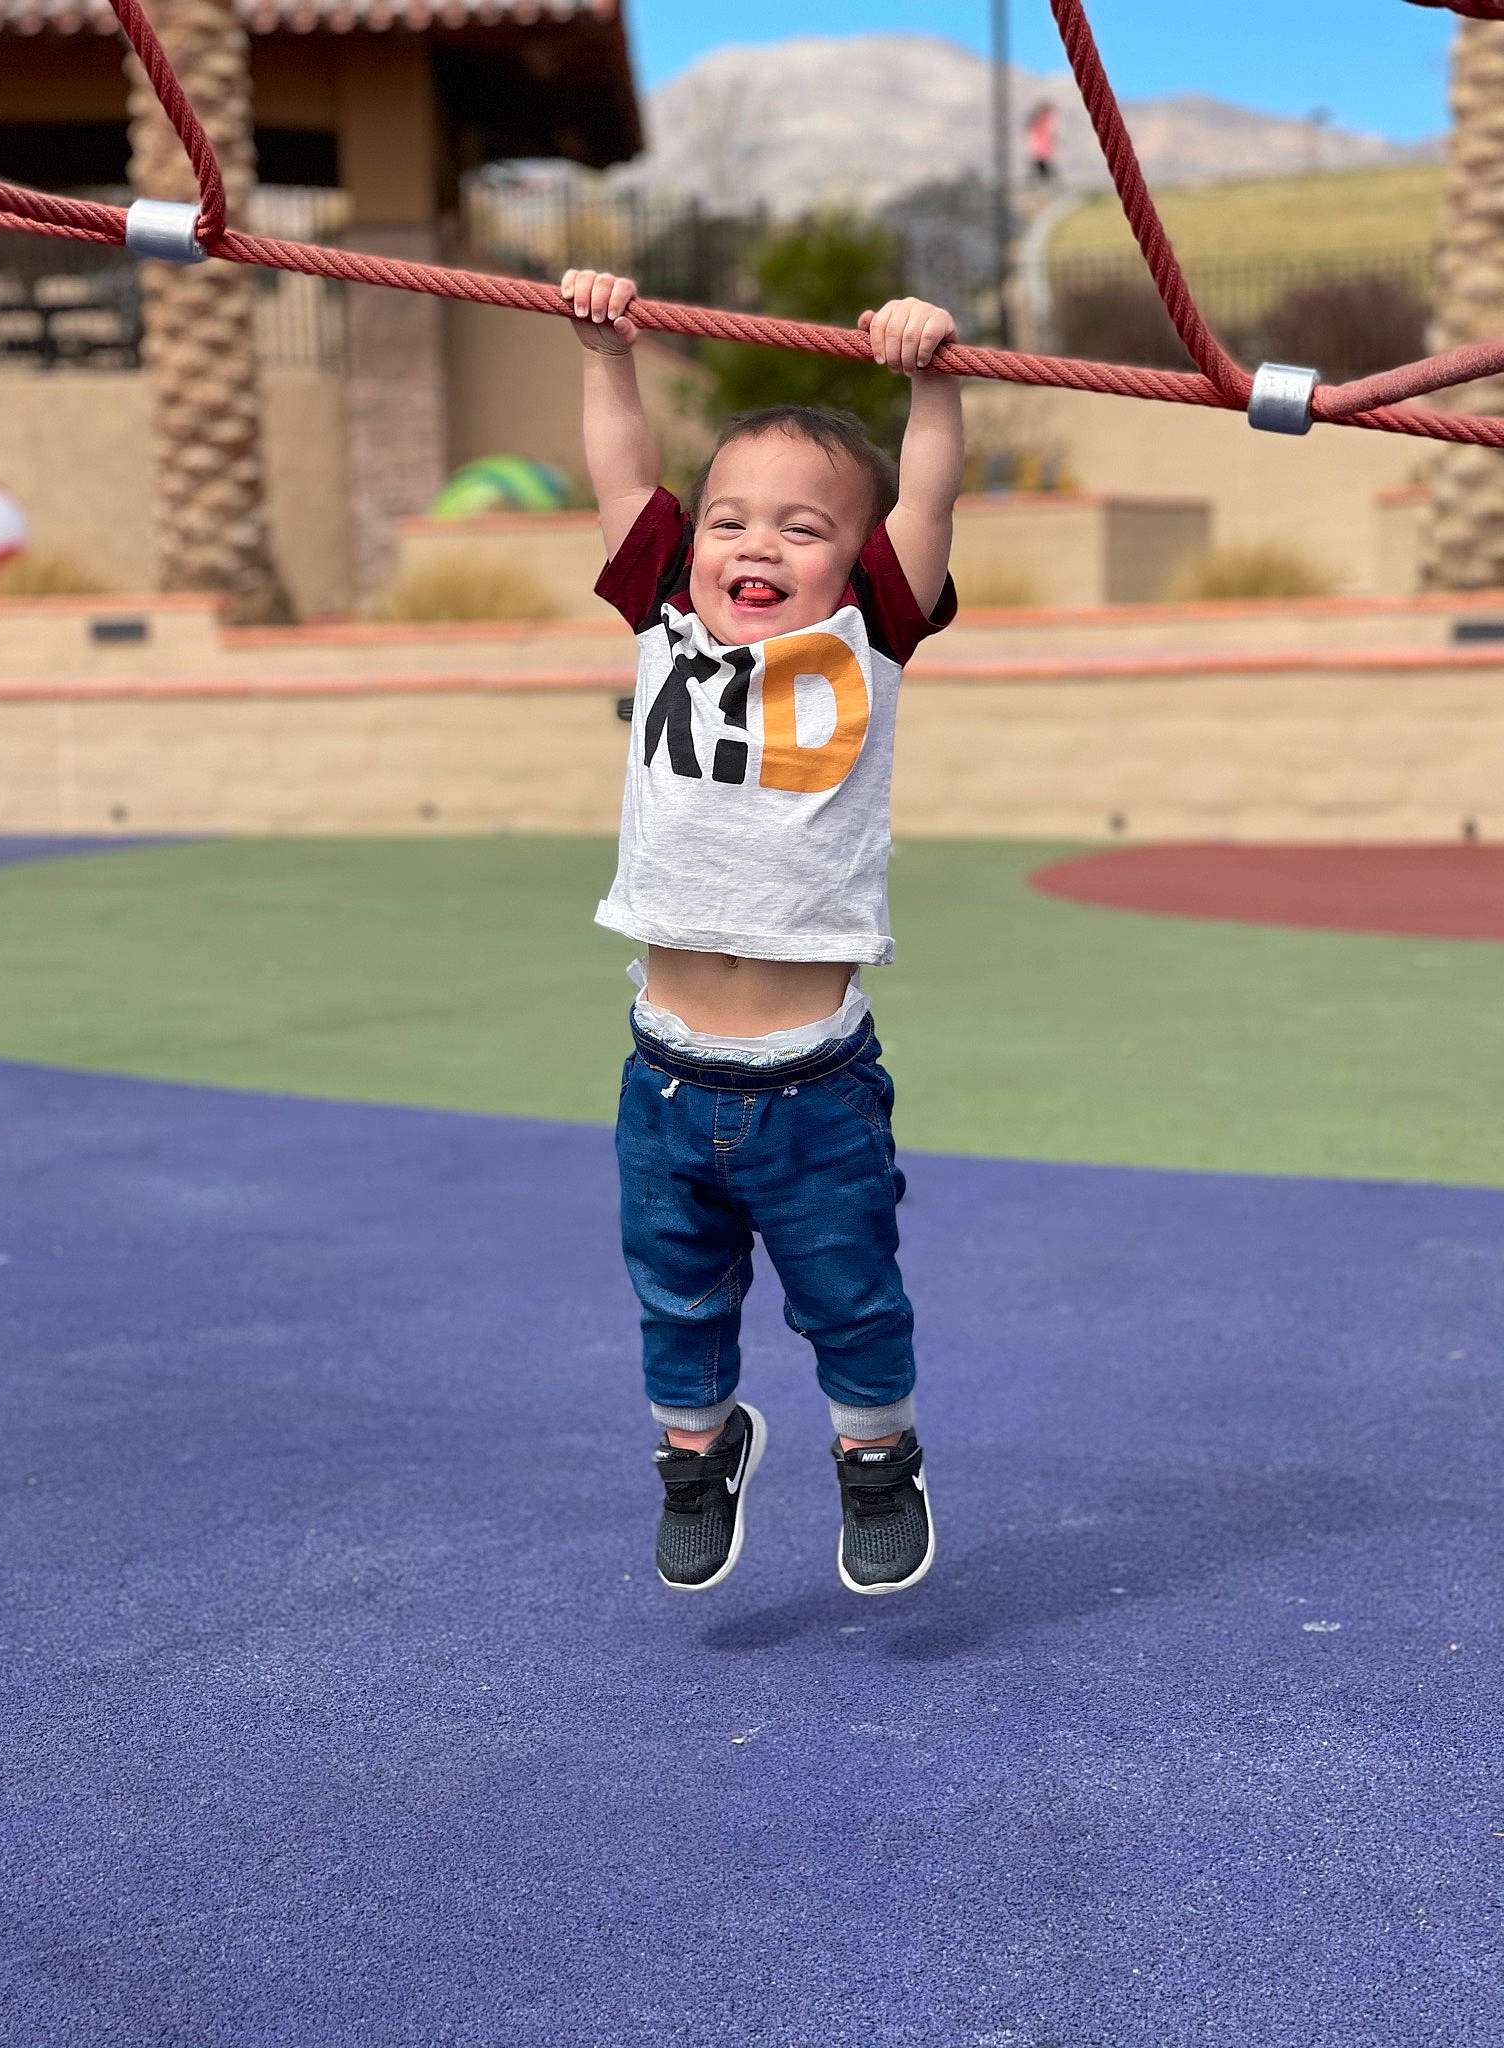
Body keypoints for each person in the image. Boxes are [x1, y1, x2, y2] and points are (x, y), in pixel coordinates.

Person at [561, 267, 962, 1597]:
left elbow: (931, 496)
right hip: (664, 1073)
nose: (756, 546)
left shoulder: (869, 639)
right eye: (730, 520)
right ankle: (699, 1451)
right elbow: (624, 479)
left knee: (852, 1302)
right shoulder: (668, 619)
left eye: (802, 528)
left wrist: (931, 381)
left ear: (857, 563)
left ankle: (876, 1460)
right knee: (674, 1301)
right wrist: (606, 351)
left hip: (814, 1088)